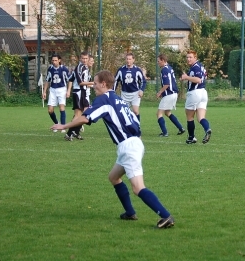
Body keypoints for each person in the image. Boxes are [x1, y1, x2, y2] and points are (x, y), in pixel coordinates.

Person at [51, 70, 175, 229]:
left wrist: (64, 125)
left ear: (103, 84)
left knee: (138, 188)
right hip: (133, 143)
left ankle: (166, 216)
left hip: (128, 146)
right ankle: (130, 212)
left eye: (95, 83)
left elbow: (86, 118)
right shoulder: (119, 100)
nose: (93, 86)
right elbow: (134, 122)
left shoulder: (103, 99)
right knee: (114, 177)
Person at [180, 50, 212, 144]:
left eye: (190, 57)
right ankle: (207, 129)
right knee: (201, 117)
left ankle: (191, 137)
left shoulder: (195, 67)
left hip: (195, 93)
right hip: (203, 93)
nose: (188, 59)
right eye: (187, 57)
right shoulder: (201, 66)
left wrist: (186, 77)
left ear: (195, 58)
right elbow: (204, 77)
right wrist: (187, 78)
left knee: (190, 117)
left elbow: (198, 80)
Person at [65, 51, 93, 141]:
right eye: (83, 58)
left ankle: (75, 132)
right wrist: (94, 83)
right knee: (78, 115)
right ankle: (70, 133)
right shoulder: (79, 67)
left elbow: (72, 79)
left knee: (85, 113)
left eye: (86, 58)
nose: (85, 60)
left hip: (83, 92)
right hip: (78, 92)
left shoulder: (85, 68)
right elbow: (81, 82)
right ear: (80, 59)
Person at [155, 54, 185, 137]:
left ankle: (165, 133)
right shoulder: (170, 68)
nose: (158, 63)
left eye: (159, 61)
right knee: (167, 112)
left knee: (159, 114)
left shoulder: (164, 70)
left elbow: (167, 84)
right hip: (174, 94)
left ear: (163, 61)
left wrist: (159, 92)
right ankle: (181, 128)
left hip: (169, 94)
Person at [113, 52, 146, 122]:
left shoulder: (137, 70)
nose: (128, 61)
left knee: (135, 111)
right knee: (124, 112)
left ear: (133, 60)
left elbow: (144, 81)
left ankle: (137, 128)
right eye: (127, 59)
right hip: (124, 94)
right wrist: (113, 91)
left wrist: (141, 90)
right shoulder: (121, 70)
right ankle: (127, 129)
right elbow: (115, 81)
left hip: (135, 94)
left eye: (130, 59)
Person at [43, 54, 70, 125]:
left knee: (61, 108)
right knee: (50, 110)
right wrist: (44, 92)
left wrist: (68, 91)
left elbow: (70, 80)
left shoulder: (64, 69)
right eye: (53, 60)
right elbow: (47, 80)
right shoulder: (50, 69)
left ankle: (63, 126)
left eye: (55, 60)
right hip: (52, 90)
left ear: (59, 60)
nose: (54, 62)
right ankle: (57, 123)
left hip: (62, 89)